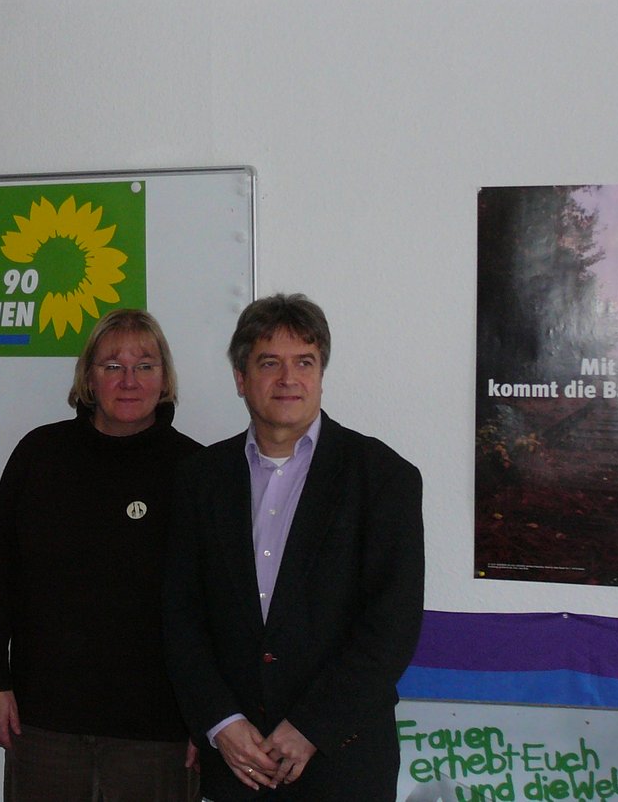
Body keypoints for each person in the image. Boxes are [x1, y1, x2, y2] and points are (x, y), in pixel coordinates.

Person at [162, 293, 425, 801]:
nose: (289, 379)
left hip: (343, 761)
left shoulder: (383, 478)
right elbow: (181, 616)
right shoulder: (199, 479)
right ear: (241, 379)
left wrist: (310, 727)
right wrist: (220, 721)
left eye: (304, 362)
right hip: (236, 764)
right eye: (269, 363)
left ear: (321, 374)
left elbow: (391, 625)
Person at [0, 308, 203, 801]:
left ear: (164, 378)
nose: (129, 380)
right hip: (44, 726)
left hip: (158, 732)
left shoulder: (196, 471)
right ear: (88, 377)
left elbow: (216, 607)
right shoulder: (39, 456)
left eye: (145, 365)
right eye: (112, 365)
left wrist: (209, 717)